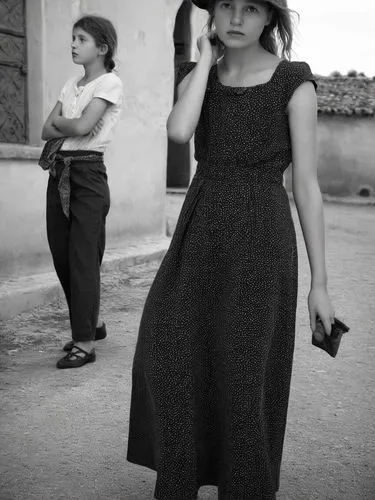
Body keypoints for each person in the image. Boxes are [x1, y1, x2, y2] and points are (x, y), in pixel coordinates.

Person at [127, 0, 335, 498]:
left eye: (251, 8)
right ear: (213, 16)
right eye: (226, 6)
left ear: (270, 19)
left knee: (243, 372)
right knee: (169, 344)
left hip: (262, 236)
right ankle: (180, 478)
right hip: (198, 229)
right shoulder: (196, 75)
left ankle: (243, 485)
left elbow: (305, 184)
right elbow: (179, 132)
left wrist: (320, 285)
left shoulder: (294, 82)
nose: (237, 19)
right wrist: (203, 60)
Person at [40, 15, 123, 369]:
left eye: (81, 39)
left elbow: (86, 127)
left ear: (101, 48)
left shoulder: (110, 83)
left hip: (88, 175)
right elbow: (47, 129)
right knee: (61, 253)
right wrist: (67, 125)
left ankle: (85, 342)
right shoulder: (71, 84)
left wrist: (66, 124)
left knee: (82, 257)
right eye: (72, 38)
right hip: (59, 170)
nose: (72, 44)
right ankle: (91, 321)